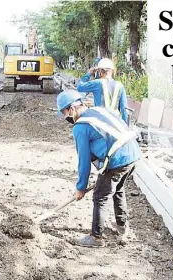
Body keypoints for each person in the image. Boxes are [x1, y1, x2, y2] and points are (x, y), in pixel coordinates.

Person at [56, 89, 141, 247]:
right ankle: (122, 226)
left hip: (118, 160)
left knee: (100, 196)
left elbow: (84, 160)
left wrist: (81, 187)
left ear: (72, 108)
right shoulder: (98, 110)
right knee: (118, 189)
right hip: (132, 154)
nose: (65, 117)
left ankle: (96, 238)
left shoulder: (80, 127)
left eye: (64, 112)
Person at [76, 58, 129, 124]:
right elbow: (124, 109)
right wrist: (125, 126)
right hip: (116, 123)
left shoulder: (97, 83)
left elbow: (79, 87)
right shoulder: (120, 85)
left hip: (101, 123)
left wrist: (88, 74)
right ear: (112, 71)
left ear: (100, 71)